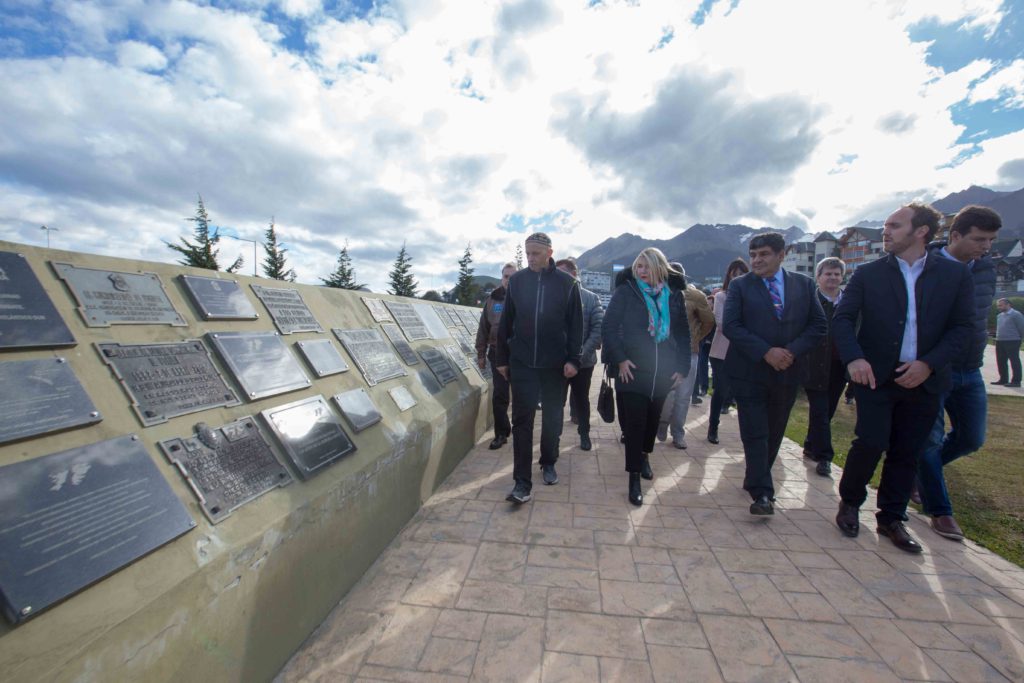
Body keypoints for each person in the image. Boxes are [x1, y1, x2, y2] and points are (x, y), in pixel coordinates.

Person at [833, 203, 974, 553]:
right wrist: (854, 358)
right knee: (870, 441)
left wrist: (928, 363)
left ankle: (891, 518)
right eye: (886, 225)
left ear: (922, 230)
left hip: (924, 379)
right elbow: (842, 320)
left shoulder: (954, 275)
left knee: (907, 451)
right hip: (875, 376)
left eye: (895, 225)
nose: (887, 231)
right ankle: (850, 502)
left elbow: (962, 327)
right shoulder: (869, 274)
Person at [723, 233, 826, 515]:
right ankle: (763, 493)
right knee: (754, 431)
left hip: (787, 372)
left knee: (775, 429)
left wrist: (789, 352)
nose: (756, 260)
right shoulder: (740, 286)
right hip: (749, 371)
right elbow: (732, 326)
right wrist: (766, 352)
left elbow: (818, 326)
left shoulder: (804, 285)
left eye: (764, 254)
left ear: (781, 255)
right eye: (753, 255)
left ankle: (757, 476)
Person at [916, 206, 1001, 541]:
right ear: (955, 236)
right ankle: (940, 511)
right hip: (936, 367)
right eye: (979, 239)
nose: (986, 246)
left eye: (991, 240)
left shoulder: (986, 269)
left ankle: (920, 472)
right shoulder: (926, 267)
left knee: (971, 438)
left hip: (971, 368)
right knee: (929, 439)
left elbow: (976, 318)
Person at [495, 233, 583, 504]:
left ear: (549, 253)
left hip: (554, 365)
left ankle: (548, 461)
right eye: (527, 253)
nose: (531, 258)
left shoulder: (568, 284)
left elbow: (576, 326)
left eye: (536, 253)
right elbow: (506, 322)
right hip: (522, 364)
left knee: (553, 417)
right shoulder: (518, 282)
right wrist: (502, 359)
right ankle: (522, 482)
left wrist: (573, 360)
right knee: (522, 421)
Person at [602, 247, 690, 506]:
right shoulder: (626, 292)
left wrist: (683, 367)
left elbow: (683, 334)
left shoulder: (673, 296)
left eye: (646, 266)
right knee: (635, 425)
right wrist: (620, 358)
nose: (641, 271)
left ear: (659, 268)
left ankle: (645, 456)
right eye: (638, 266)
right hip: (632, 370)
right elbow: (609, 326)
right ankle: (634, 477)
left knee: (653, 421)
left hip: (662, 371)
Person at [657, 263, 714, 449]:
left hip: (689, 352)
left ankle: (678, 433)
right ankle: (662, 425)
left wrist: (696, 338)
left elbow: (708, 322)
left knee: (683, 396)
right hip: (666, 352)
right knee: (665, 394)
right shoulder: (659, 292)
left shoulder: (695, 296)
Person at [801, 257, 848, 477]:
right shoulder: (810, 300)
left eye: (837, 274)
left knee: (827, 411)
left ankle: (811, 444)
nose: (833, 278)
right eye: (828, 274)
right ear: (818, 277)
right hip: (814, 364)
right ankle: (825, 457)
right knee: (820, 410)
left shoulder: (848, 302)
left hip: (839, 366)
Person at [556, 257, 605, 451]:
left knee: (582, 400)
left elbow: (597, 329)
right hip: (557, 362)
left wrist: (578, 356)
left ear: (574, 275)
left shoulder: (591, 298)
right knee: (556, 402)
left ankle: (584, 434)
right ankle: (555, 437)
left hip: (583, 363)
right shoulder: (553, 299)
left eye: (563, 274)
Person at [476, 262, 518, 449]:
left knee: (521, 395)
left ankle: (521, 431)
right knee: (500, 395)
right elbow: (483, 327)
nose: (509, 279)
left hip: (520, 354)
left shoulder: (525, 297)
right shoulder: (492, 300)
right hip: (497, 352)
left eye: (512, 276)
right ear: (502, 277)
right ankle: (501, 433)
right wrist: (481, 353)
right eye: (506, 276)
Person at [707, 259, 749, 444]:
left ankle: (748, 433)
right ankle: (713, 427)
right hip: (722, 350)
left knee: (744, 392)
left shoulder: (752, 297)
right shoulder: (722, 297)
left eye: (742, 273)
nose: (738, 277)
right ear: (729, 275)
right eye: (735, 273)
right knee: (721, 389)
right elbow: (722, 324)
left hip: (745, 352)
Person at [994, 298, 1024, 387]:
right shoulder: (999, 316)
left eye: (1001, 305)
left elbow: (1022, 328)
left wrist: (1020, 338)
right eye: (998, 305)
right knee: (1001, 360)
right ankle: (1003, 379)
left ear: (1008, 304)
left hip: (1013, 341)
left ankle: (1016, 381)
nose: (999, 307)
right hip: (1000, 341)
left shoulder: (1016, 315)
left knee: (1014, 361)